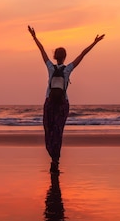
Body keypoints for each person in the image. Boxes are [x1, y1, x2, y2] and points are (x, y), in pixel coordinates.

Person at [28, 26, 105, 174]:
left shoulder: (50, 67)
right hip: (63, 103)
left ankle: (52, 156)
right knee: (58, 131)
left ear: (55, 56)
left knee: (48, 129)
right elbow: (83, 54)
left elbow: (42, 50)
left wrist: (34, 36)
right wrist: (95, 42)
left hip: (49, 102)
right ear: (65, 56)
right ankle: (55, 160)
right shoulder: (68, 68)